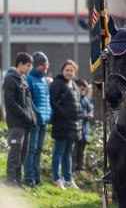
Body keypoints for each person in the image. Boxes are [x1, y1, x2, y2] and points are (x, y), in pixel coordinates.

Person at [3, 52, 37, 187]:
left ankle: (18, 179)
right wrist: (25, 115)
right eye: (28, 65)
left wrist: (32, 117)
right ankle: (10, 180)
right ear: (20, 64)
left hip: (25, 123)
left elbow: (28, 103)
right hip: (16, 123)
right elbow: (10, 102)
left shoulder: (23, 79)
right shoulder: (10, 79)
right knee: (15, 152)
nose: (30, 68)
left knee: (23, 153)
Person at [49, 60, 83, 189]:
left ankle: (68, 179)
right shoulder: (57, 83)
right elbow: (52, 101)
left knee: (68, 152)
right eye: (67, 70)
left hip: (74, 125)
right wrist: (63, 113)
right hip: (61, 124)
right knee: (59, 151)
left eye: (71, 70)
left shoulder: (73, 84)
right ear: (62, 70)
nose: (69, 72)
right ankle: (56, 179)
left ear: (74, 72)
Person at [23, 51, 52, 188]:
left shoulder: (43, 80)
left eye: (47, 65)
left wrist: (48, 113)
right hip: (34, 121)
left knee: (39, 149)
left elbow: (47, 99)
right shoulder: (29, 79)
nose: (46, 68)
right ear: (37, 65)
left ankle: (36, 176)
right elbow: (29, 101)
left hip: (43, 120)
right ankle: (28, 177)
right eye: (43, 65)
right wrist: (38, 113)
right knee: (32, 149)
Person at [73, 79, 94, 171]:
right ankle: (71, 171)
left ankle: (81, 172)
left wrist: (91, 114)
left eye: (84, 90)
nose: (83, 91)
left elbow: (90, 110)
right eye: (81, 89)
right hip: (75, 130)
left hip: (84, 130)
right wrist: (86, 116)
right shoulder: (73, 98)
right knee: (73, 153)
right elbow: (74, 113)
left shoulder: (85, 99)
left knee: (82, 153)